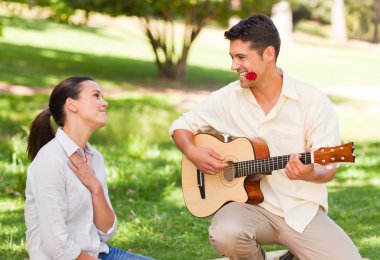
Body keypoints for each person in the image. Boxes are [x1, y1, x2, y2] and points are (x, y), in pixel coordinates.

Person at [169, 14, 361, 260]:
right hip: (248, 209)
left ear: (268, 54)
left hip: (300, 212)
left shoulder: (312, 101)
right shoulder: (229, 98)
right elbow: (180, 127)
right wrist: (194, 152)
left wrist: (310, 173)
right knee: (225, 232)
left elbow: (329, 167)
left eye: (241, 58)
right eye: (232, 57)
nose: (233, 66)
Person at [25, 76, 152, 260]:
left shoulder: (95, 157)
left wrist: (95, 186)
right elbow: (57, 247)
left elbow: (106, 232)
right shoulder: (50, 161)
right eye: (96, 96)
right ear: (72, 105)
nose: (105, 103)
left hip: (98, 253)